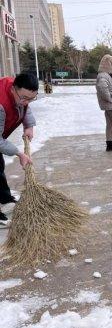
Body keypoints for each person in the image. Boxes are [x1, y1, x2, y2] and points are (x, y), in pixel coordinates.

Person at [0, 72, 37, 226]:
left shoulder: (21, 96)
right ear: (13, 89)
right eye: (23, 97)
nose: (26, 101)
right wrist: (18, 153)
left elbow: (25, 108)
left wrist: (29, 125)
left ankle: (5, 199)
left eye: (31, 98)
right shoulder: (1, 103)